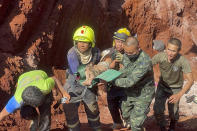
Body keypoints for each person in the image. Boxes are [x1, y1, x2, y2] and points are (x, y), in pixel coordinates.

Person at [0, 70, 70, 131]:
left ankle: (44, 128)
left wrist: (63, 93)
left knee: (45, 112)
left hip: (40, 74)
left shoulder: (44, 87)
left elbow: (54, 78)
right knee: (27, 113)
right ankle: (34, 120)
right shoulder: (16, 100)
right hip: (23, 77)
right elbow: (1, 115)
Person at [63, 25, 101, 131]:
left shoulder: (96, 52)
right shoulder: (72, 53)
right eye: (79, 41)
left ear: (91, 43)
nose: (82, 44)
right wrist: (84, 80)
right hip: (73, 83)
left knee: (92, 107)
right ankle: (73, 128)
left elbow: (98, 65)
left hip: (90, 82)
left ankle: (96, 127)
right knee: (67, 105)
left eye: (85, 41)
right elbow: (76, 72)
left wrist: (95, 79)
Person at [113, 36, 155, 131]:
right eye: (126, 52)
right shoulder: (127, 55)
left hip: (143, 94)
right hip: (131, 92)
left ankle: (137, 127)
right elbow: (126, 70)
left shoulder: (145, 61)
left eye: (131, 53)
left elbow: (130, 81)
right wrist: (112, 75)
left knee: (136, 123)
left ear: (138, 48)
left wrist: (112, 81)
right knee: (126, 114)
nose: (128, 55)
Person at [152, 38, 194, 131]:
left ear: (178, 51)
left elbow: (191, 80)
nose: (170, 53)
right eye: (169, 49)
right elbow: (148, 65)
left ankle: (172, 126)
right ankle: (162, 127)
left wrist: (179, 94)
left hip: (175, 89)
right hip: (162, 86)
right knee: (158, 110)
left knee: (173, 112)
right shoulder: (160, 56)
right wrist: (154, 76)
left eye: (173, 51)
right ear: (166, 48)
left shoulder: (182, 61)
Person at [106, 28, 131, 129]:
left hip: (125, 85)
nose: (119, 44)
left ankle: (127, 120)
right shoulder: (110, 52)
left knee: (124, 105)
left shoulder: (130, 53)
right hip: (112, 85)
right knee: (112, 105)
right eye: (117, 41)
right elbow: (107, 66)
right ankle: (117, 122)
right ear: (114, 41)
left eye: (122, 42)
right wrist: (115, 61)